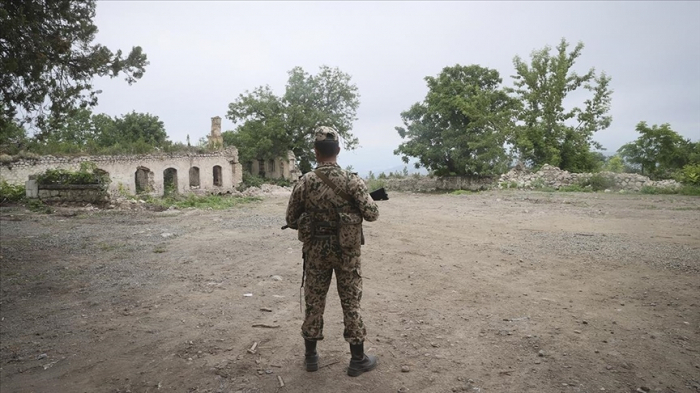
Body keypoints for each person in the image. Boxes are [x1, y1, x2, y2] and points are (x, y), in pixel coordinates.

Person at [285, 126, 379, 377]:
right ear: (338, 150)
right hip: (347, 252)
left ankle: (311, 357)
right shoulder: (352, 180)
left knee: (314, 302)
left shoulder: (305, 182)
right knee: (351, 302)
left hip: (316, 251)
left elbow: (291, 218)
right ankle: (357, 360)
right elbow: (372, 214)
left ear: (316, 152)